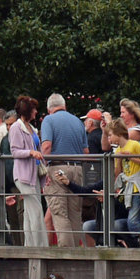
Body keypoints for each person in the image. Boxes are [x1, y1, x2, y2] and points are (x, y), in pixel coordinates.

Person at [40, 93, 89, 247]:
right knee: (75, 212)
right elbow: (86, 152)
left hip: (57, 168)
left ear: (49, 109)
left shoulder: (48, 120)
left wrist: (41, 166)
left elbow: (47, 146)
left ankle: (66, 253)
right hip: (77, 169)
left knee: (59, 212)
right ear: (64, 106)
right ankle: (76, 253)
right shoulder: (77, 121)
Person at [109, 119, 140, 249]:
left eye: (111, 134)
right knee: (136, 221)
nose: (109, 138)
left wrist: (132, 158)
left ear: (118, 134)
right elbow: (118, 172)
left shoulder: (134, 145)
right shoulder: (118, 149)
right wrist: (118, 159)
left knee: (133, 221)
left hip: (138, 187)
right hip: (129, 188)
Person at [8, 95, 48, 247]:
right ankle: (41, 247)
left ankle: (30, 245)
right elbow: (15, 151)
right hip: (24, 176)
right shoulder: (16, 128)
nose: (36, 112)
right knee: (36, 211)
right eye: (34, 109)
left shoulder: (32, 128)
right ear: (27, 111)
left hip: (34, 175)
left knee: (31, 213)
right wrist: (30, 152)